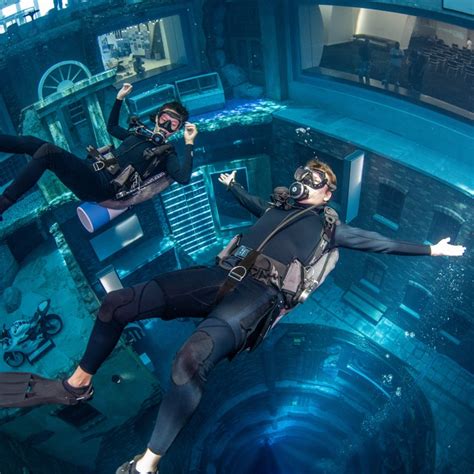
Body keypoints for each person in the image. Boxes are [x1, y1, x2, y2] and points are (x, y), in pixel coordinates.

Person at [0, 160, 465, 474]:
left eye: (315, 179)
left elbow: (380, 243)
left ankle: (145, 465)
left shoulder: (330, 228)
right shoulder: (279, 208)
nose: (304, 180)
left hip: (257, 298)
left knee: (188, 362)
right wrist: (231, 187)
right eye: (302, 174)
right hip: (219, 274)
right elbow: (252, 206)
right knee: (116, 305)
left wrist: (431, 249)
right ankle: (77, 384)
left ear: (327, 192)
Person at [0, 83, 198, 221]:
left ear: (177, 130)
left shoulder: (166, 155)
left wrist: (189, 143)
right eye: (164, 119)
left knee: (47, 151)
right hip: (88, 169)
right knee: (32, 142)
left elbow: (183, 178)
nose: (166, 126)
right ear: (157, 117)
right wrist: (119, 98)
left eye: (173, 125)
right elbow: (112, 128)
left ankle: (3, 204)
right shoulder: (138, 134)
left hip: (102, 186)